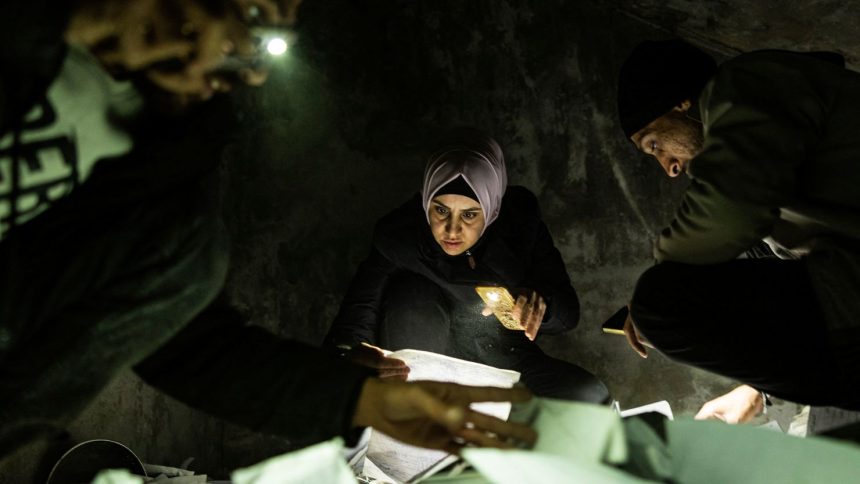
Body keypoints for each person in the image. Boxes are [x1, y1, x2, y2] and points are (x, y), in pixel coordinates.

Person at [0, 0, 536, 463]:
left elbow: (192, 348)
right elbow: (359, 311)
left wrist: (361, 400)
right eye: (253, 16)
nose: (252, 65)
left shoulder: (167, 196)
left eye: (270, 37)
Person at [614, 38, 860, 421]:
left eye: (656, 144)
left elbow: (733, 209)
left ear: (681, 103)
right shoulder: (769, 159)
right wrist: (758, 390)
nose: (669, 167)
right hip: (844, 280)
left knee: (659, 301)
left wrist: (658, 279)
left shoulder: (747, 82)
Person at [324, 129, 609, 403]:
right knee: (412, 293)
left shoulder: (519, 224)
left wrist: (540, 305)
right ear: (426, 201)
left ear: (491, 207)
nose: (452, 230)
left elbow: (568, 312)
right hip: (423, 363)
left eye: (470, 214)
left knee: (589, 395)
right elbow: (356, 316)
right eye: (441, 210)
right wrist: (353, 356)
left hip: (499, 356)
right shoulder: (399, 237)